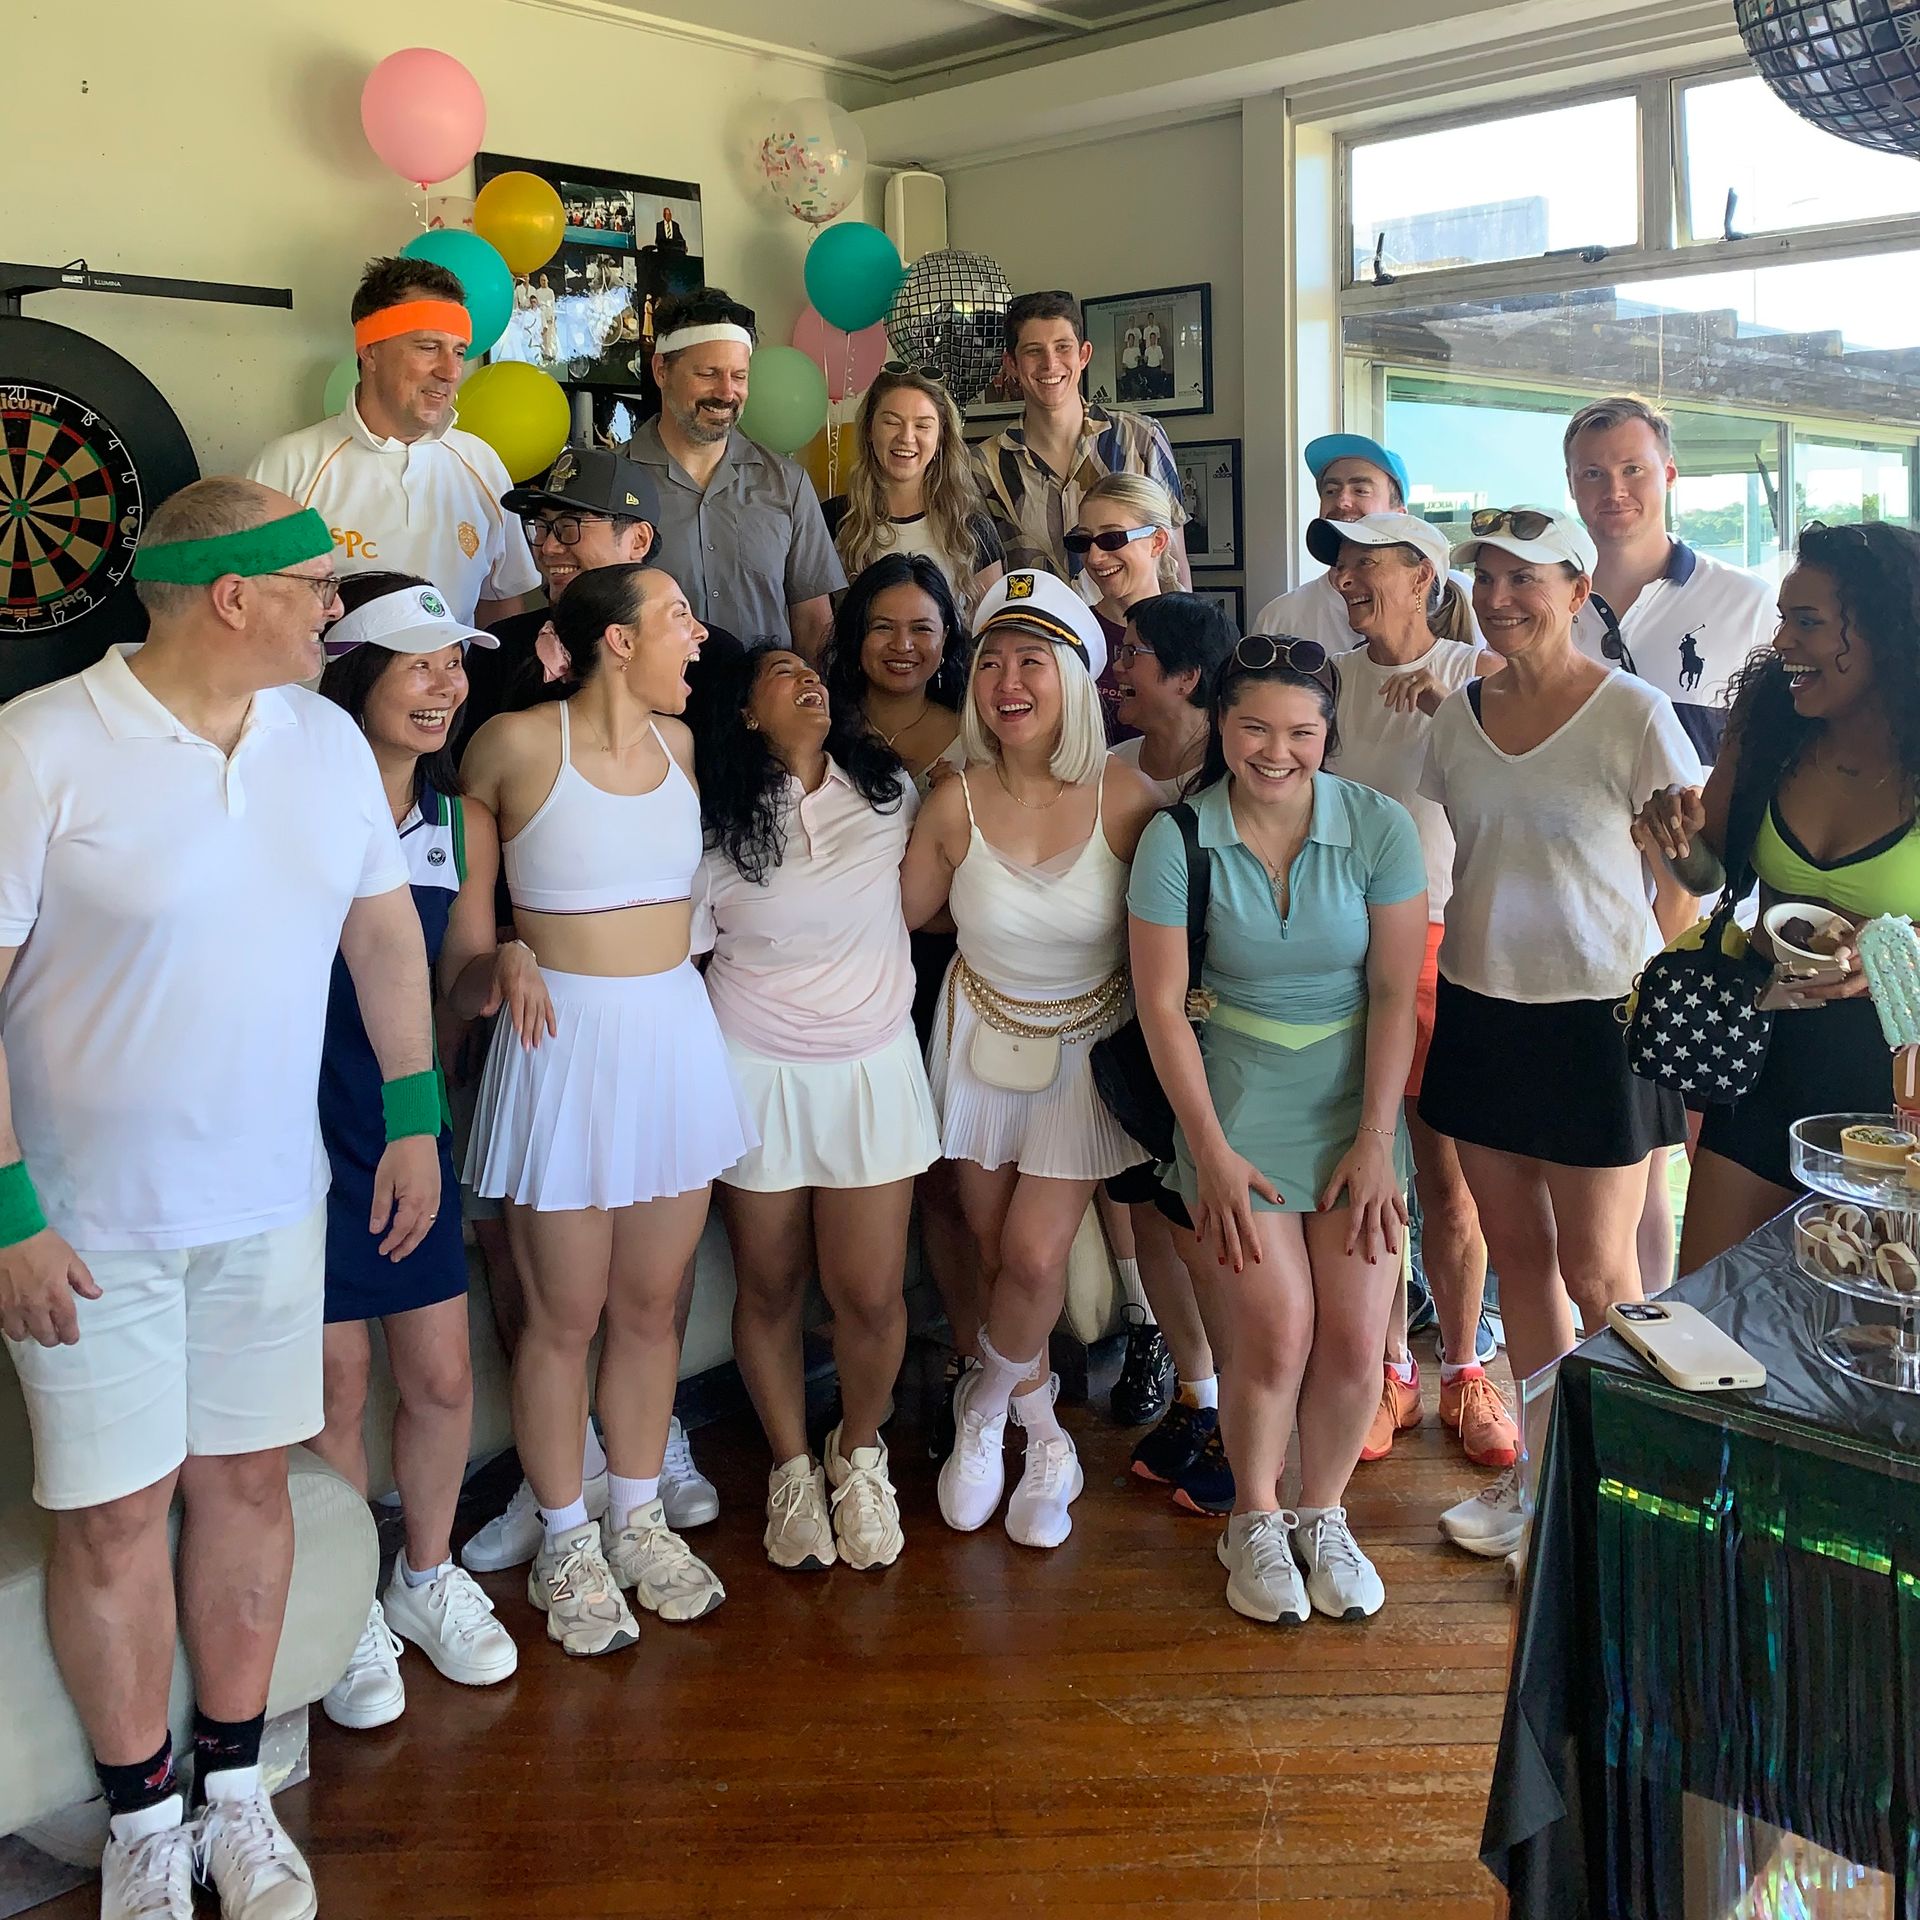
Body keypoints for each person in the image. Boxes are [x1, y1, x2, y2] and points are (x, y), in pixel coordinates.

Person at [0, 479, 440, 1919]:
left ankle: (236, 1787)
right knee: (114, 1519)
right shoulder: (42, 747)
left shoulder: (323, 743)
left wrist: (418, 1119)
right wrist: (8, 1208)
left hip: (272, 1205)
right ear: (232, 597)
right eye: (320, 589)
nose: (340, 612)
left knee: (251, 1488)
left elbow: (382, 934)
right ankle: (143, 1821)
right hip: (86, 1227)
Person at [461, 563, 755, 1657]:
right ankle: (565, 1538)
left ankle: (635, 1517)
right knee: (561, 1317)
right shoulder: (517, 747)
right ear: (617, 641)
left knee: (652, 1308)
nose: (700, 629)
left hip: (672, 1041)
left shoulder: (682, 750)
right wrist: (505, 952)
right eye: (680, 614)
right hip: (561, 1050)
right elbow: (455, 926)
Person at [1418, 508, 1698, 1563]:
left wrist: (1646, 988)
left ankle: (1629, 1494)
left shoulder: (1632, 714)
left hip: (1598, 1024)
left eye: (1523, 579)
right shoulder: (1457, 717)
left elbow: (1685, 884)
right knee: (1520, 1268)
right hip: (1483, 1010)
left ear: (1579, 592)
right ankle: (1542, 1479)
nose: (1497, 597)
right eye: (1485, 577)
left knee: (1601, 1277)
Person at [1130, 634, 1427, 1623]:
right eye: (1254, 726)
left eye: (1301, 731)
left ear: (1328, 733)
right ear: (1220, 724)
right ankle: (1253, 1518)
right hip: (1237, 1100)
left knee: (1352, 1338)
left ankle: (1322, 1511)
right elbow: (1163, 1006)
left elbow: (1392, 992)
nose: (1277, 750)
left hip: (1357, 1106)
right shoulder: (1179, 839)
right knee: (1277, 1332)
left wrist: (1377, 1140)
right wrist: (1206, 1151)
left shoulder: (1380, 826)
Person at [900, 570, 1160, 1549]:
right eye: (994, 661)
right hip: (977, 1043)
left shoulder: (1128, 796)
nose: (1009, 680)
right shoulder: (952, 797)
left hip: (1086, 1054)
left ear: (1078, 677)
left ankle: (983, 1408)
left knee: (1035, 1253)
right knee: (994, 1247)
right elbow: (902, 916)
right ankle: (1042, 1428)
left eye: (1033, 660)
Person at [307, 575, 524, 1731]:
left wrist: (511, 969)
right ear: (352, 677)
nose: (450, 685)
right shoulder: (292, 805)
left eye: (457, 663)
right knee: (336, 1387)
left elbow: (454, 978)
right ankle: (344, 1610)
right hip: (297, 1136)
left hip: (409, 1132)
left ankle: (425, 1575)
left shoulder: (454, 820)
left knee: (441, 1375)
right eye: (422, 663)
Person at [687, 637, 939, 1570]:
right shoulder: (712, 826)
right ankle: (791, 1467)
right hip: (756, 1074)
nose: (810, 683)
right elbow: (686, 953)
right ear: (745, 713)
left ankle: (859, 1451)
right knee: (770, 1287)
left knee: (870, 1293)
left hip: (873, 1070)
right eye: (782, 677)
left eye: (813, 670)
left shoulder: (888, 793)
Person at [1634, 520, 1920, 1273]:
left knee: (1867, 1317)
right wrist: (1675, 833)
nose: (1783, 641)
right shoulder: (1769, 721)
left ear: (1888, 630)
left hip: (1897, 1085)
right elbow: (1711, 875)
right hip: (1766, 1052)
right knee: (1710, 1305)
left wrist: (1887, 948)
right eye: (1783, 619)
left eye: (1809, 622)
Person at [1311, 512, 1516, 1473]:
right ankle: (1391, 1367)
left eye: (1366, 565)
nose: (1348, 580)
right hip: (1346, 946)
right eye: (1341, 566)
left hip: (1449, 944)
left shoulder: (1482, 673)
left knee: (1451, 1181)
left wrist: (1460, 701)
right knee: (1371, 1173)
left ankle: (1466, 1371)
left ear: (1424, 574)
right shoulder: (1330, 682)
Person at [1564, 396, 1779, 1290]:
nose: (1613, 490)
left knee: (1696, 1142)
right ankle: (1641, 1340)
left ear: (1668, 477)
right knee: (1618, 1153)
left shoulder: (1745, 604)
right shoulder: (1546, 599)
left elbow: (1769, 757)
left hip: (1702, 932)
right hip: (1582, 920)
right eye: (1592, 473)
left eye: (1632, 470)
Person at [821, 557, 981, 1458]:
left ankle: (970, 1358)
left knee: (953, 1183)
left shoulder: (975, 733)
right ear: (854, 635)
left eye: (923, 628)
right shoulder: (819, 728)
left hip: (950, 970)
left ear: (947, 640)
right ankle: (861, 1377)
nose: (904, 645)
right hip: (843, 982)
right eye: (884, 626)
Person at [1105, 594, 1244, 1514]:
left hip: (1218, 1044)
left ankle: (1244, 1419)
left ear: (1189, 677)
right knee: (1154, 1226)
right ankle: (1198, 1400)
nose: (1117, 669)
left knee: (1209, 1241)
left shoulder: (1239, 779)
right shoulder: (1111, 769)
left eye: (1136, 654)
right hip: (1127, 1040)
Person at [248, 256, 539, 626]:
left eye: (459, 351)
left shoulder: (481, 464)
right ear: (370, 351)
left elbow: (499, 606)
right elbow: (251, 613)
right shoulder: (288, 466)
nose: (450, 372)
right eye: (428, 347)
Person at [621, 287, 844, 656]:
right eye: (708, 373)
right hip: (652, 713)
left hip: (766, 708)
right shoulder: (615, 481)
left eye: (739, 376)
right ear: (661, 370)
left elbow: (812, 623)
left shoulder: (788, 484)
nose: (726, 393)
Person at [971, 291, 1192, 588]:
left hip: (1137, 632)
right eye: (1033, 351)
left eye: (1062, 347)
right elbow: (986, 587)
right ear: (1011, 364)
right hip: (1040, 633)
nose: (1050, 363)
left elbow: (1174, 565)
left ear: (1083, 354)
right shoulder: (984, 468)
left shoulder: (1141, 439)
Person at [462, 446, 662, 744]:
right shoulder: (500, 648)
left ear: (638, 540)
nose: (548, 547)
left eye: (569, 527)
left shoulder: (704, 658)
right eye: (541, 527)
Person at [1252, 435, 1479, 652]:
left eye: (1361, 490)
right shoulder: (1281, 616)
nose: (1342, 500)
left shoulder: (1464, 594)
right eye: (1330, 491)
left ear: (1400, 515)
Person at [822, 365, 1004, 617]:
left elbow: (990, 634)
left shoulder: (971, 528)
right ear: (868, 430)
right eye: (892, 422)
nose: (906, 437)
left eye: (922, 426)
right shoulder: (832, 520)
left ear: (941, 438)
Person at [1069, 472, 1181, 743]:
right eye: (1083, 542)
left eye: (1112, 539)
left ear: (1157, 542)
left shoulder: (1197, 632)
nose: (1094, 558)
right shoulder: (1071, 635)